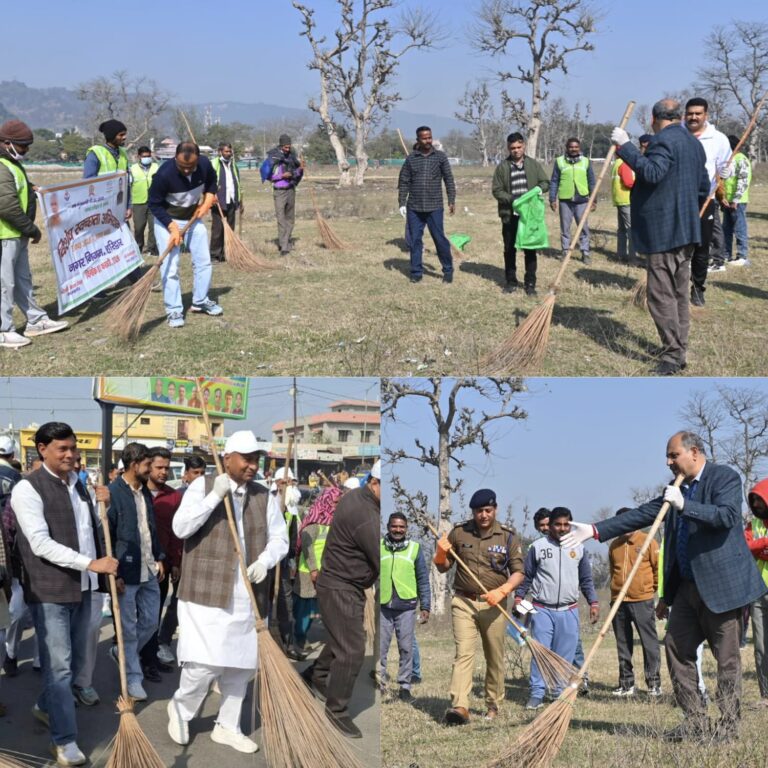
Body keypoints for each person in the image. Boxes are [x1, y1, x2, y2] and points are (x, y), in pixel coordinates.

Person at [563, 431, 768, 742]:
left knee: (726, 660)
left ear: (694, 453)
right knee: (675, 648)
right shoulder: (676, 488)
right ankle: (696, 720)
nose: (668, 462)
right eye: (668, 456)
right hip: (685, 588)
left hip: (722, 589)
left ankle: (727, 727)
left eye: (673, 455)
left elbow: (726, 516)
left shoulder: (723, 477)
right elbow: (644, 513)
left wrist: (686, 505)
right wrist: (595, 530)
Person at [167, 431, 287, 754]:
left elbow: (281, 539)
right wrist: (212, 498)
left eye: (256, 459)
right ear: (227, 458)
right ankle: (181, 709)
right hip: (205, 592)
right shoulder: (202, 486)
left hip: (246, 594)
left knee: (242, 666)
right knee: (203, 665)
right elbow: (181, 529)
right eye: (246, 459)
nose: (252, 465)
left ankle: (227, 725)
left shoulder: (263, 496)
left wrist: (265, 560)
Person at [11, 422, 117, 767]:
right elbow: (40, 543)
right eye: (63, 449)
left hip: (85, 587)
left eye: (74, 448)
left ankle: (45, 706)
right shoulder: (28, 489)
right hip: (50, 589)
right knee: (58, 668)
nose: (71, 454)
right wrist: (91, 563)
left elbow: (88, 531)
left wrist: (107, 502)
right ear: (42, 449)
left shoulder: (80, 485)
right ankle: (64, 740)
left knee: (72, 663)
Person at [611, 99, 710, 376]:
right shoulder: (693, 143)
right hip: (686, 229)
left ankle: (672, 354)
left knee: (660, 295)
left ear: (655, 118)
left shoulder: (662, 141)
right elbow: (703, 186)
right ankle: (679, 348)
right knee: (678, 293)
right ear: (678, 116)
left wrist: (625, 146)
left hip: (664, 231)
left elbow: (653, 173)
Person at [302, 461, 380, 739]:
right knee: (353, 649)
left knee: (341, 638)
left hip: (342, 581)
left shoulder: (358, 497)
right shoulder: (366, 514)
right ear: (374, 482)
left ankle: (316, 675)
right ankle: (337, 710)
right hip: (341, 585)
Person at [434, 488, 524, 725]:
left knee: (494, 656)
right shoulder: (459, 532)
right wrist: (440, 553)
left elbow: (518, 573)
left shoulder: (508, 537)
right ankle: (460, 707)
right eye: (478, 511)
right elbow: (443, 567)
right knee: (463, 654)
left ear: (495, 510)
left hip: (494, 606)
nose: (483, 515)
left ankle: (493, 705)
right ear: (472, 512)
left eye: (487, 510)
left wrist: (502, 591)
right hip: (463, 602)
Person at [518, 507, 598, 710]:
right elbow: (527, 576)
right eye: (557, 524)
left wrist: (593, 602)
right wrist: (519, 597)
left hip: (569, 610)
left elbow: (586, 579)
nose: (562, 528)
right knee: (541, 652)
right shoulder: (537, 547)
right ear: (550, 525)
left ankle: (558, 693)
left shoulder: (578, 547)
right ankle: (536, 693)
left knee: (564, 656)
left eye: (566, 524)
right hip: (542, 609)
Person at [0, 120, 68, 349]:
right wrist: (32, 229)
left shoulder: (11, 163)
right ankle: (4, 330)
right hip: (5, 235)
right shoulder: (1, 165)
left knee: (22, 280)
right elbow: (6, 206)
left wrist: (31, 187)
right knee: (4, 283)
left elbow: (16, 186)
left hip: (16, 235)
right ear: (7, 143)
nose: (26, 151)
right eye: (22, 146)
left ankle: (36, 320)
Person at [107, 443, 165, 702]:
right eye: (147, 465)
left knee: (151, 622)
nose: (151, 469)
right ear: (134, 465)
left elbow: (149, 529)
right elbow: (106, 535)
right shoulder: (113, 494)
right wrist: (114, 573)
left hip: (148, 568)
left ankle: (121, 652)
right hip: (125, 572)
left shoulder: (146, 494)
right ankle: (133, 676)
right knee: (128, 628)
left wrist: (159, 557)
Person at [148, 141, 221, 328]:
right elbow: (154, 205)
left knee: (204, 261)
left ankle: (200, 301)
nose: (187, 170)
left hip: (193, 218)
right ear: (175, 159)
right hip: (167, 221)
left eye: (191, 167)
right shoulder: (164, 174)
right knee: (170, 267)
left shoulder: (205, 165)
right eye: (183, 167)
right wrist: (172, 228)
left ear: (198, 160)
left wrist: (207, 201)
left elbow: (212, 183)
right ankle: (173, 309)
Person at [607, 506, 661, 697]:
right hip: (618, 602)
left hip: (642, 600)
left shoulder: (648, 541)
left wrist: (649, 590)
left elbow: (657, 570)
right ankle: (626, 683)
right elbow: (613, 570)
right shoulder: (614, 545)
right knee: (623, 643)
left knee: (649, 643)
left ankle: (654, 683)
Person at [139, 448, 181, 679]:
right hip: (139, 565)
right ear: (148, 466)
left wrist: (175, 561)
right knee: (139, 616)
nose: (164, 472)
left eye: (167, 467)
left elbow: (177, 533)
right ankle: (133, 659)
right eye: (159, 467)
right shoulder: (138, 492)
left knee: (153, 615)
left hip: (163, 567)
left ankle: (150, 659)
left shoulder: (174, 496)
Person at [380, 512, 430, 702]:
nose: (398, 530)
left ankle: (404, 687)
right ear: (388, 526)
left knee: (406, 648)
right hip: (383, 605)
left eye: (402, 527)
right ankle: (380, 684)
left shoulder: (415, 549)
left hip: (406, 606)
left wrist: (425, 606)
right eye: (394, 526)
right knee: (381, 648)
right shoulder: (379, 547)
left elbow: (423, 579)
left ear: (406, 528)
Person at [684, 97, 732, 297]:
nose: (693, 117)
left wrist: (726, 171)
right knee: (678, 245)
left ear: (706, 115)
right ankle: (675, 288)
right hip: (679, 199)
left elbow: (725, 165)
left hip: (705, 199)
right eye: (690, 113)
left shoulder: (718, 139)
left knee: (702, 247)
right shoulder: (677, 133)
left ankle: (697, 289)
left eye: (698, 113)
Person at [491, 132, 550, 295]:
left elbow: (545, 182)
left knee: (530, 250)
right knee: (509, 249)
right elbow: (496, 190)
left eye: (518, 147)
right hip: (510, 215)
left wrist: (539, 189)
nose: (516, 150)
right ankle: (511, 282)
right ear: (508, 148)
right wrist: (513, 199)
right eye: (512, 148)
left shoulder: (533, 165)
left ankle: (530, 283)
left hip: (529, 217)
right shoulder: (502, 167)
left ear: (523, 145)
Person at [397, 126, 457, 284]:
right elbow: (404, 181)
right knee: (415, 240)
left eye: (429, 137)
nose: (428, 140)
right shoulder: (411, 159)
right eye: (424, 138)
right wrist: (402, 202)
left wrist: (451, 199)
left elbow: (449, 179)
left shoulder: (440, 157)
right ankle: (416, 272)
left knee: (439, 239)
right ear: (418, 140)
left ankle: (448, 270)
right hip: (414, 207)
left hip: (435, 206)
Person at [293, 486, 342, 655]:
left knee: (316, 609)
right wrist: (313, 569)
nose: (337, 505)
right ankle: (299, 640)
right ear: (328, 501)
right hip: (307, 573)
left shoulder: (332, 521)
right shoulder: (315, 522)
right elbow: (307, 547)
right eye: (335, 502)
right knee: (304, 610)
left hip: (325, 572)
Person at [549, 137, 595, 264]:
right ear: (567, 148)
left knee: (583, 228)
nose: (573, 149)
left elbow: (592, 182)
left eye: (576, 147)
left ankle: (585, 252)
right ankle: (565, 251)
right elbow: (554, 181)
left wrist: (594, 200)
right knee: (565, 228)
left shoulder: (586, 162)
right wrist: (552, 198)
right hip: (565, 200)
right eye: (571, 147)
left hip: (582, 200)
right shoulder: (559, 161)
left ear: (579, 148)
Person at [745, 478, 768, 707]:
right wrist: (762, 545)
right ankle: (766, 695)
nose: (757, 505)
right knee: (761, 646)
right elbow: (745, 546)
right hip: (758, 591)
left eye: (760, 500)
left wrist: (758, 546)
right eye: (754, 501)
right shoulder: (753, 524)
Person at [265, 134, 304, 255]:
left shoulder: (292, 157)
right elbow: (267, 176)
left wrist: (300, 169)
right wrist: (281, 176)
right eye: (286, 147)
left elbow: (295, 172)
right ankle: (284, 246)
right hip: (279, 191)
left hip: (291, 190)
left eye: (289, 147)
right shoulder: (273, 158)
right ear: (281, 146)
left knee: (290, 218)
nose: (288, 149)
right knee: (281, 219)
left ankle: (286, 241)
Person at [210, 142, 244, 263]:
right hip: (218, 201)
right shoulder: (214, 163)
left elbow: (237, 182)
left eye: (230, 151)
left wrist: (240, 200)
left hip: (231, 200)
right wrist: (211, 195)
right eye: (226, 151)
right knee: (218, 229)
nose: (229, 154)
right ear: (220, 152)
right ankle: (214, 254)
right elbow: (208, 181)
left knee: (230, 228)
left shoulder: (233, 165)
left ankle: (226, 253)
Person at [721, 134, 751, 267]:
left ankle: (742, 255)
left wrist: (736, 199)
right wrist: (722, 197)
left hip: (737, 201)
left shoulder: (741, 159)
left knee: (739, 228)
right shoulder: (727, 160)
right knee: (726, 229)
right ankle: (727, 254)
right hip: (727, 200)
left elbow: (743, 181)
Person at [129, 146, 159, 255]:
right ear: (138, 157)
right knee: (139, 227)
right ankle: (138, 248)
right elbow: (129, 186)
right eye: (144, 156)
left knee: (154, 226)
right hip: (138, 203)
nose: (147, 158)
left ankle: (152, 249)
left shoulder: (156, 167)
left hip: (154, 202)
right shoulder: (132, 169)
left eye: (148, 156)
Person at [611, 146, 636, 262]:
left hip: (619, 200)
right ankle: (632, 258)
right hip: (627, 200)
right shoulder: (625, 164)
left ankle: (621, 255)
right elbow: (628, 182)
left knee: (621, 230)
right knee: (631, 230)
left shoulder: (616, 164)